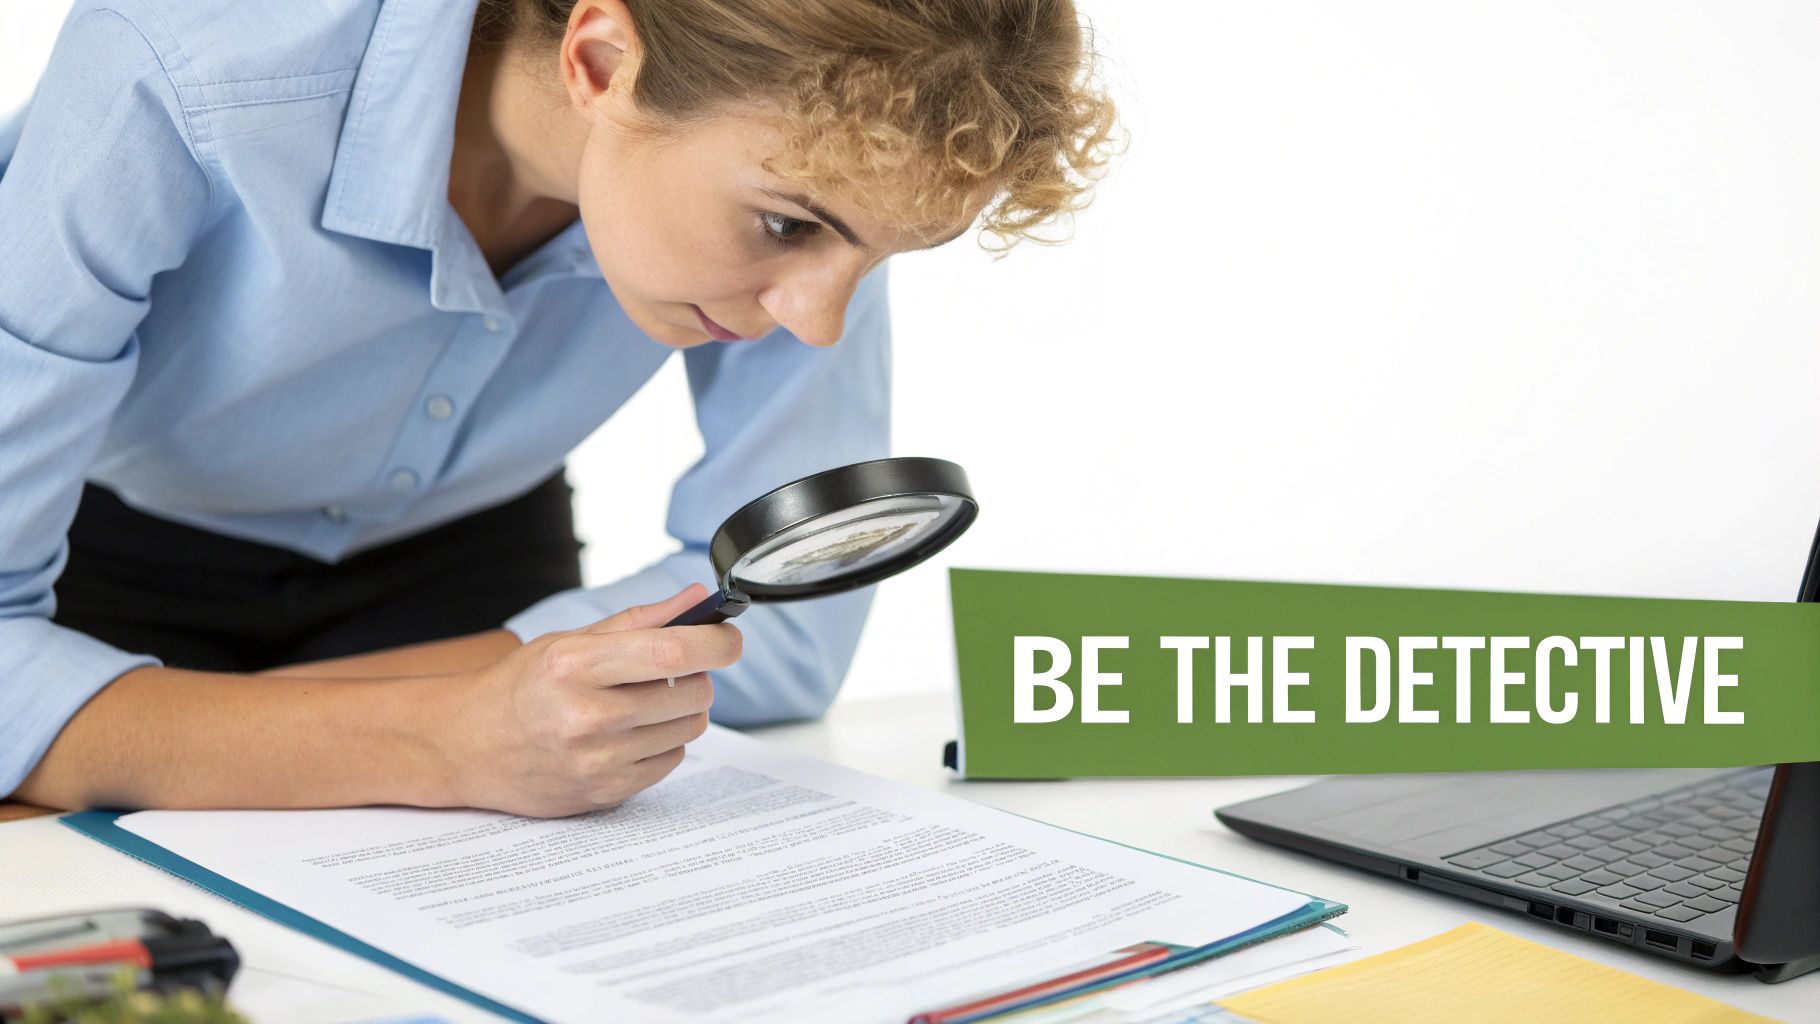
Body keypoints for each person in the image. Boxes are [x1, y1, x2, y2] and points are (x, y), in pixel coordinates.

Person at [0, 0, 1116, 817]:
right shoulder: (179, 67)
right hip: (103, 568)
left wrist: (157, 733)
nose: (819, 322)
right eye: (787, 226)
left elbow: (790, 626)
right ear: (600, 59)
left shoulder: (824, 167)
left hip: (474, 568)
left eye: (874, 257)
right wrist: (430, 735)